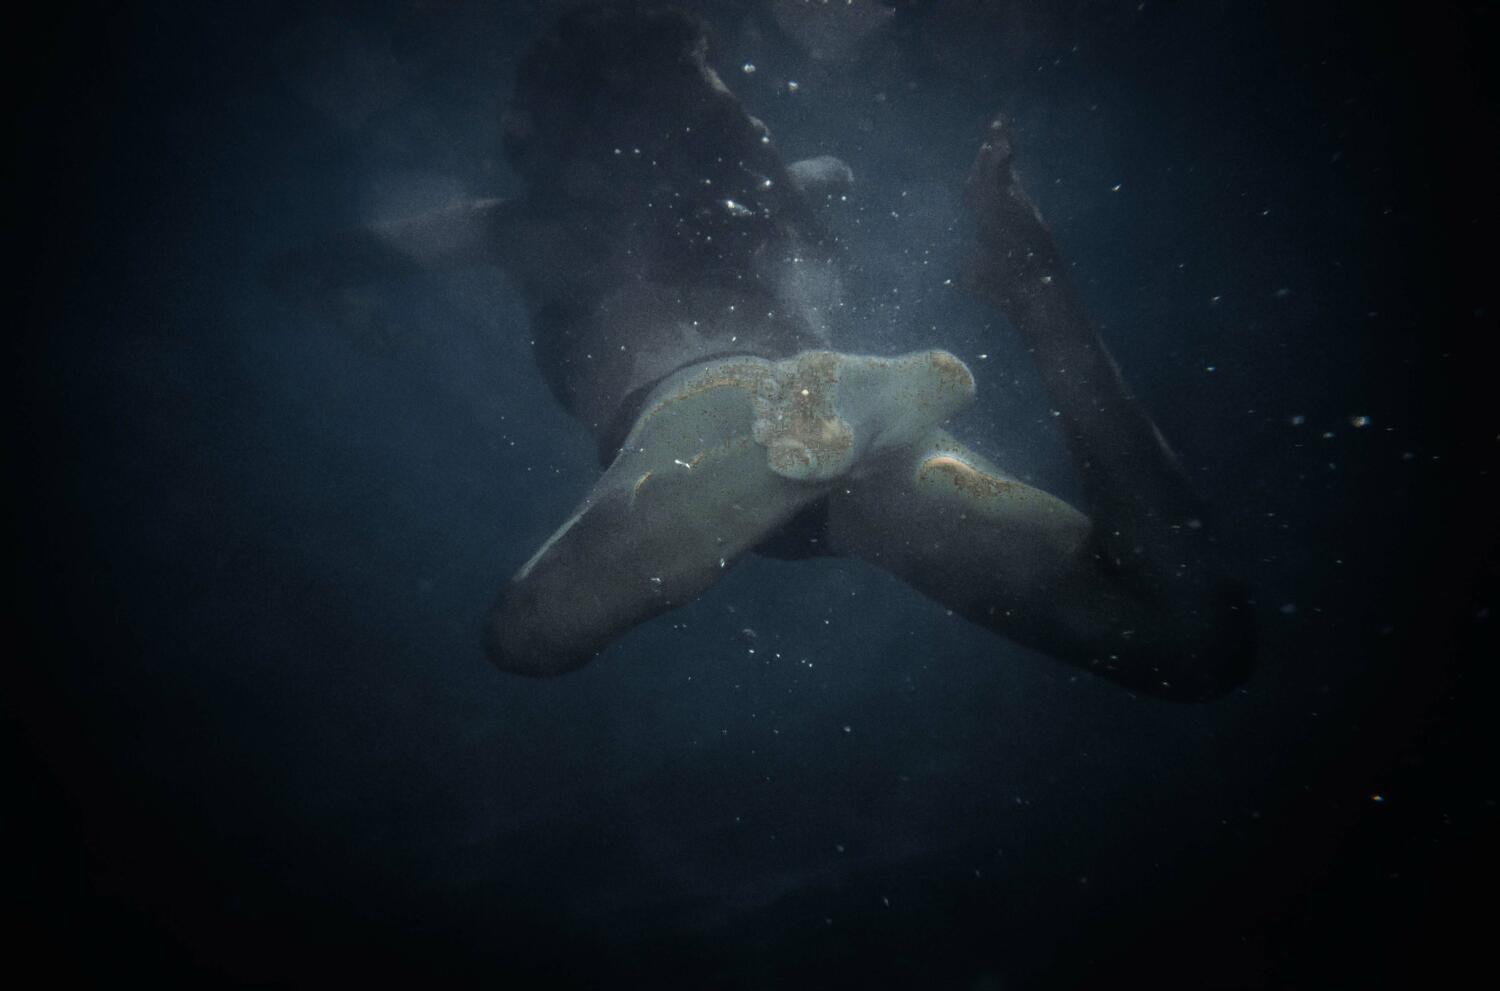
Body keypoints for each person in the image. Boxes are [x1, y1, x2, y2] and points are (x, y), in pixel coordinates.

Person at [271, 4, 1253, 700]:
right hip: (850, 467)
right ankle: (888, 390)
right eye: (716, 96)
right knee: (1184, 638)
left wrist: (348, 307)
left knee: (529, 636)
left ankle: (818, 420)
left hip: (700, 411)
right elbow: (828, 169)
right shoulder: (783, 185)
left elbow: (311, 263)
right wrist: (1037, 291)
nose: (742, 112)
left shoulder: (518, 225)